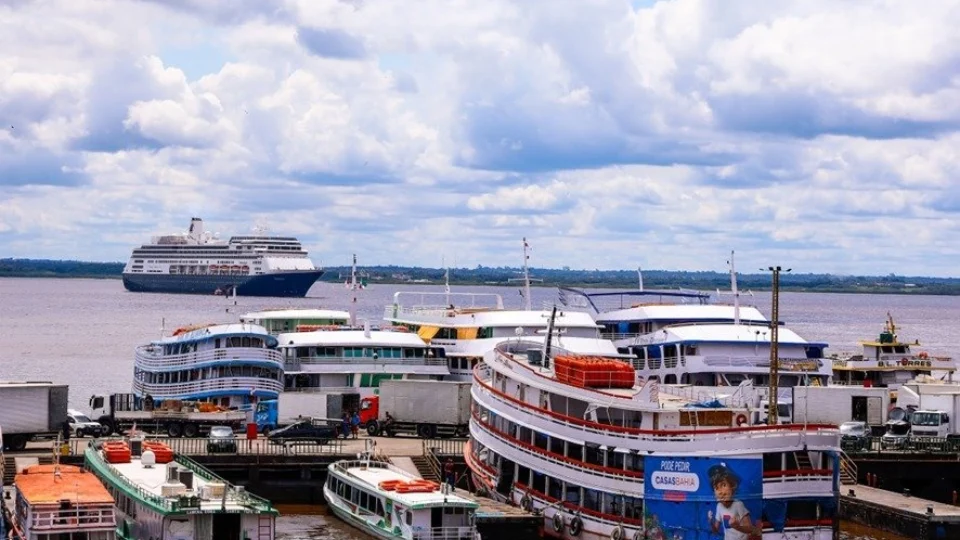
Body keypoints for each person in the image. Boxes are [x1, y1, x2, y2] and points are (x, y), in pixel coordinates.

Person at [707, 464, 761, 540]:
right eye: (716, 488)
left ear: (732, 486)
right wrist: (710, 522)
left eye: (724, 485)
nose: (721, 492)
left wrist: (736, 526)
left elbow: (750, 529)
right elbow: (715, 531)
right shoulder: (719, 506)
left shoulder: (738, 504)